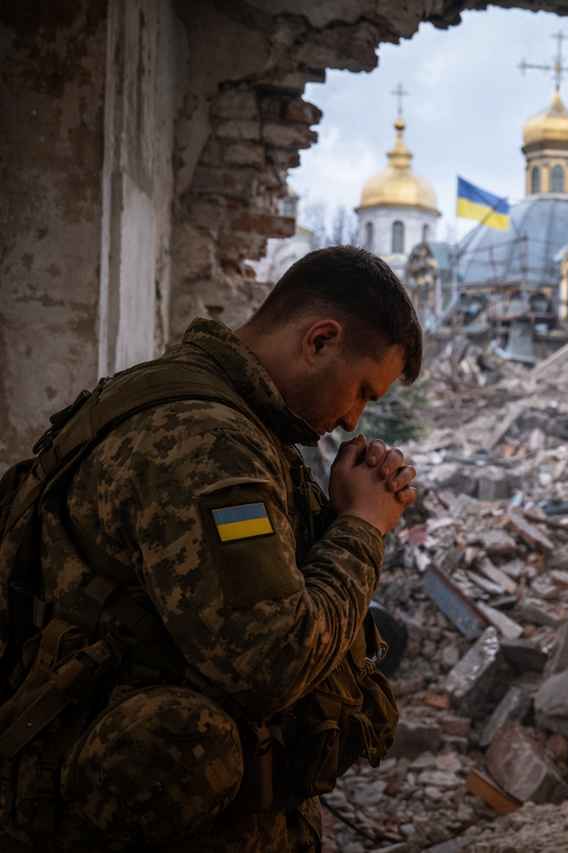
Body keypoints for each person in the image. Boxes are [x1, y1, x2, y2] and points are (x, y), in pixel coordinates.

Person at [0, 246, 423, 851]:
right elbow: (274, 663)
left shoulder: (180, 398)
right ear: (320, 341)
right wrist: (362, 526)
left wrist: (330, 517)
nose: (355, 420)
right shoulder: (209, 443)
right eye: (362, 391)